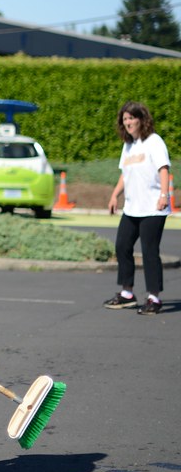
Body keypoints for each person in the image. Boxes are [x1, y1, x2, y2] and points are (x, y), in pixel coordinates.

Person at [104, 101, 171, 315]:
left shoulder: (154, 141)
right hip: (132, 208)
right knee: (122, 246)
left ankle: (154, 298)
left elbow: (163, 169)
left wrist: (164, 195)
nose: (128, 122)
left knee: (150, 252)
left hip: (152, 208)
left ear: (142, 119)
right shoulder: (129, 146)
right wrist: (115, 195)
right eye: (125, 119)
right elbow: (125, 174)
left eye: (132, 118)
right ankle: (127, 294)